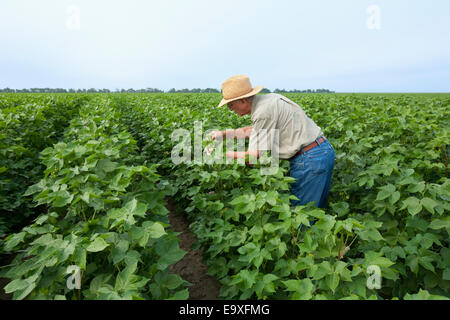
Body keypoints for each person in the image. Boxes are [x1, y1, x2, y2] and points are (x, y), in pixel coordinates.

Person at [211, 75, 335, 209]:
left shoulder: (262, 112)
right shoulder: (269, 100)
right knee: (316, 210)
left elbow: (252, 157)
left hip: (310, 160)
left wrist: (222, 153)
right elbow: (257, 130)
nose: (230, 109)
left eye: (231, 105)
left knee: (303, 212)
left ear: (242, 101)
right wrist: (223, 135)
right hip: (322, 151)